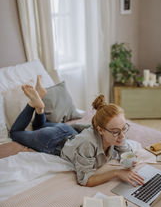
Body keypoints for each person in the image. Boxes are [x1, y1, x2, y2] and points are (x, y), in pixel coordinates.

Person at [10, 76, 144, 187]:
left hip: (68, 130)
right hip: (51, 141)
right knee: (15, 133)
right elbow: (85, 180)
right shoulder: (88, 144)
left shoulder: (118, 132)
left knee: (40, 126)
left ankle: (40, 105)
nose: (122, 135)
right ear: (100, 130)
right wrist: (117, 172)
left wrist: (129, 159)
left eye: (124, 128)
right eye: (116, 131)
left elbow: (125, 151)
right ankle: (32, 104)